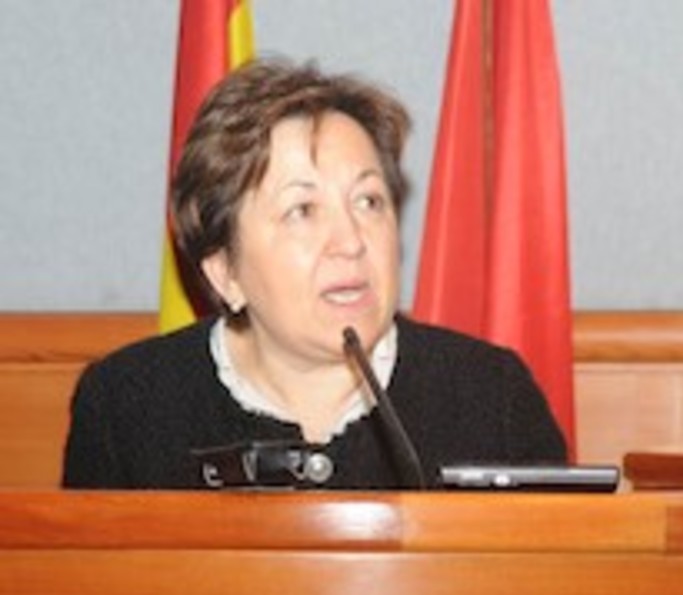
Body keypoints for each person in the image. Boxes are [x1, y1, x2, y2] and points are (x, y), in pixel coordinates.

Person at [62, 57, 566, 490]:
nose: (351, 242)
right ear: (225, 272)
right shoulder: (125, 408)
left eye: (368, 202)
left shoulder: (492, 397)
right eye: (302, 210)